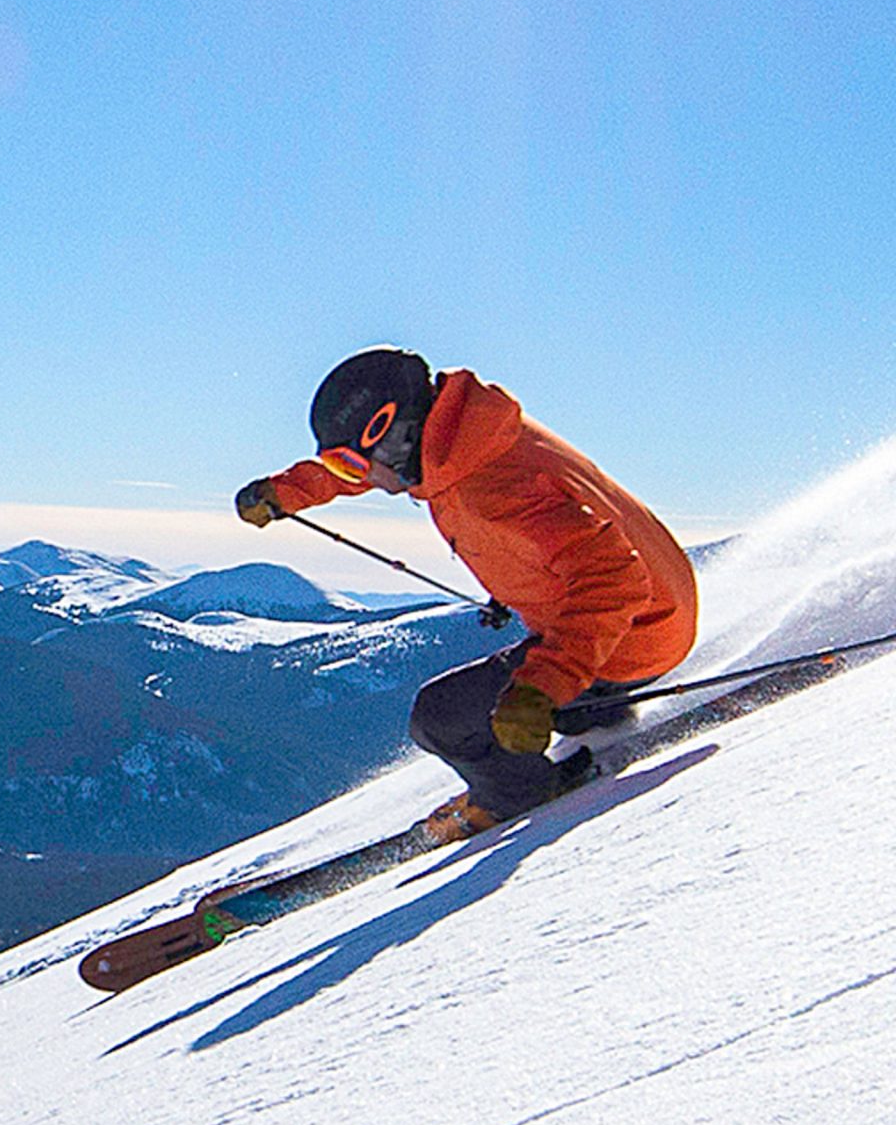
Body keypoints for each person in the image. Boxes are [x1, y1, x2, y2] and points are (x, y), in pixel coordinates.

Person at [236, 349, 698, 839]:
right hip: (663, 607)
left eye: (352, 464)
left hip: (634, 637)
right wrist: (285, 492)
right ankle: (593, 713)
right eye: (345, 467)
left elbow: (614, 579)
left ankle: (520, 793)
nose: (361, 478)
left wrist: (542, 687)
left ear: (394, 435)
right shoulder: (468, 437)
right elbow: (377, 467)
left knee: (440, 719)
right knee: (530, 703)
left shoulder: (493, 486)